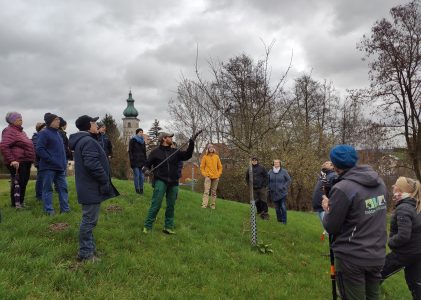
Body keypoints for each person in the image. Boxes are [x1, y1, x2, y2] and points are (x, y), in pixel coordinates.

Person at [322, 144, 387, 300]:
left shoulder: (343, 188)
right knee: (373, 296)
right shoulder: (380, 183)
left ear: (335, 164)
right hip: (377, 254)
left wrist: (327, 209)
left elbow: (331, 226)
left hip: (351, 258)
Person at [69, 115, 119, 262]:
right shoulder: (87, 141)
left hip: (89, 186)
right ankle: (85, 254)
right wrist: (104, 180)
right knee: (89, 221)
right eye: (94, 122)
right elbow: (92, 164)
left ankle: (90, 249)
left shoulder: (85, 140)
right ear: (88, 125)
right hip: (90, 187)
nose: (96, 124)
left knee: (90, 220)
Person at [142, 130, 201, 234]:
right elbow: (146, 165)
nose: (172, 138)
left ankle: (168, 227)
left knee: (171, 205)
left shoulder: (175, 152)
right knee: (156, 204)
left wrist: (192, 142)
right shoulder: (155, 152)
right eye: (170, 137)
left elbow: (187, 155)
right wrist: (146, 170)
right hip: (160, 180)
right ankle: (148, 226)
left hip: (173, 182)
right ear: (164, 139)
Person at [381, 177, 421, 299]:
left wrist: (391, 242)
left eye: (396, 186)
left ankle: (361, 294)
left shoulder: (404, 208)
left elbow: (403, 235)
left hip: (405, 253)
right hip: (417, 252)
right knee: (416, 283)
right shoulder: (415, 204)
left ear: (402, 189)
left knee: (378, 272)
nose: (393, 187)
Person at [36, 113, 70, 215]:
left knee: (63, 189)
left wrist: (64, 163)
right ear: (50, 122)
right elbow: (40, 149)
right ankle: (49, 211)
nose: (58, 121)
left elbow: (62, 151)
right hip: (48, 167)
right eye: (56, 119)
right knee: (48, 189)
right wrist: (50, 159)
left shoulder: (59, 134)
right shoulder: (44, 133)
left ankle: (65, 210)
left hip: (60, 168)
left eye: (58, 119)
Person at [0, 112, 35, 208]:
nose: (20, 119)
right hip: (17, 162)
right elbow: (4, 146)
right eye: (17, 118)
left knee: (23, 182)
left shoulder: (21, 132)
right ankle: (15, 204)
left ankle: (20, 202)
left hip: (26, 160)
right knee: (19, 182)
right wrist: (12, 160)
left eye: (20, 117)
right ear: (11, 120)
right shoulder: (9, 130)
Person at [268, 159, 291, 224]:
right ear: (273, 163)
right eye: (275, 163)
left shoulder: (284, 171)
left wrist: (284, 187)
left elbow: (289, 180)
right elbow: (267, 180)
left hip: (282, 193)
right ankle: (279, 220)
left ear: (280, 164)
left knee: (283, 206)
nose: (276, 164)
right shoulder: (270, 171)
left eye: (277, 163)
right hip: (273, 192)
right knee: (277, 208)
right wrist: (269, 187)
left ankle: (284, 221)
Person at [200, 143, 223, 209]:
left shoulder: (216, 157)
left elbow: (220, 167)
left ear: (213, 149)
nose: (211, 148)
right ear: (208, 149)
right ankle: (204, 205)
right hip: (208, 177)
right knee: (206, 191)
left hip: (216, 177)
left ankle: (212, 205)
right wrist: (205, 174)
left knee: (213, 192)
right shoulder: (205, 157)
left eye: (212, 147)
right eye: (209, 147)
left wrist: (218, 174)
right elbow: (202, 167)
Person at [128, 128, 147, 194]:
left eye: (142, 132)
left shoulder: (143, 141)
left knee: (142, 176)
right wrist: (131, 160)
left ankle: (141, 189)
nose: (141, 133)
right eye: (140, 132)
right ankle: (137, 190)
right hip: (135, 161)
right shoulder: (132, 140)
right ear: (137, 133)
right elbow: (130, 151)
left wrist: (145, 161)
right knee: (137, 175)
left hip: (142, 161)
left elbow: (144, 152)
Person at [32, 122, 46, 200]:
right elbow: (38, 148)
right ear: (39, 129)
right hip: (40, 161)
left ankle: (43, 194)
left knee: (44, 179)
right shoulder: (36, 136)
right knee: (40, 179)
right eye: (43, 128)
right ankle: (39, 196)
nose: (45, 130)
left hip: (45, 160)